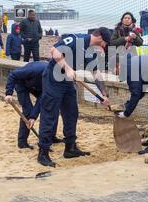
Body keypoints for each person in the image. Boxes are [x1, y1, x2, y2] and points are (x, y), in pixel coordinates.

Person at [37, 28, 112, 167]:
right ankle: (43, 152)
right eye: (105, 44)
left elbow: (96, 73)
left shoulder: (91, 52)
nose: (105, 47)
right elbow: (54, 51)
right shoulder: (75, 39)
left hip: (67, 82)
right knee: (50, 114)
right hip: (53, 79)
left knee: (72, 113)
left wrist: (104, 94)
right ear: (100, 38)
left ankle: (70, 148)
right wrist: (68, 68)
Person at [5, 61, 63, 150]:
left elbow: (41, 99)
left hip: (38, 88)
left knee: (51, 107)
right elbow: (13, 75)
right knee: (27, 111)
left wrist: (33, 117)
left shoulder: (53, 81)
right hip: (22, 84)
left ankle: (51, 137)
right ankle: (22, 142)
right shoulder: (35, 70)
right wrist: (9, 93)